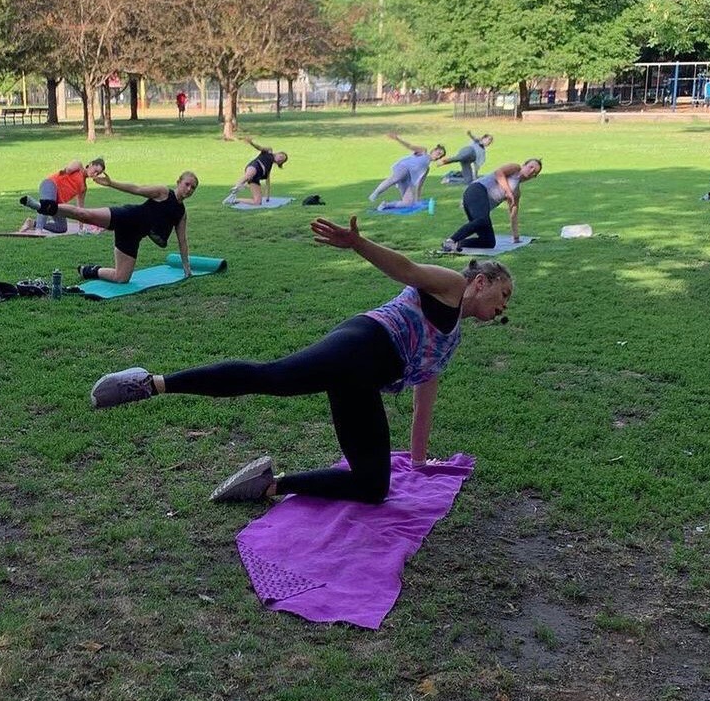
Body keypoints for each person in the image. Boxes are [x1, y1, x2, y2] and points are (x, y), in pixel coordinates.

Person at [88, 216, 512, 505]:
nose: (504, 306)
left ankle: (267, 486)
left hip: (362, 381)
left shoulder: (451, 338)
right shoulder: (452, 284)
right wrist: (359, 244)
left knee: (373, 486)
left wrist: (418, 462)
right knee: (275, 378)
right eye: (504, 294)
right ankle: (149, 383)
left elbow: (425, 399)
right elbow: (406, 270)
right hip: (360, 344)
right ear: (481, 281)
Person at [21, 170, 197, 283]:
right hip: (126, 216)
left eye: (193, 188)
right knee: (86, 215)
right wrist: (111, 183)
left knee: (121, 278)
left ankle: (89, 271)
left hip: (133, 236)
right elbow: (136, 189)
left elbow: (183, 241)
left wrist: (187, 268)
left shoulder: (181, 214)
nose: (189, 189)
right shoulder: (163, 192)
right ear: (178, 182)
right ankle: (43, 207)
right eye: (187, 184)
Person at [441, 159, 542, 252]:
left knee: (488, 242)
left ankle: (458, 244)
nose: (531, 171)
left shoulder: (516, 193)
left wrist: (516, 237)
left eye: (535, 172)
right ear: (524, 165)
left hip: (479, 204)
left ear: (534, 177)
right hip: (476, 190)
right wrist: (507, 191)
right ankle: (450, 240)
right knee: (482, 220)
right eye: (530, 167)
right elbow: (499, 173)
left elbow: (513, 214)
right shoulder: (515, 168)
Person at [18, 158, 105, 234]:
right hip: (51, 184)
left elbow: (80, 208)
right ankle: (38, 230)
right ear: (90, 164)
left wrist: (81, 228)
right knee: (48, 204)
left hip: (58, 202)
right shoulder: (78, 166)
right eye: (95, 170)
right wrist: (76, 168)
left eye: (98, 173)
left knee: (62, 228)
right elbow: (68, 169)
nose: (95, 174)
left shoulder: (84, 188)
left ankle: (32, 223)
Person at [369, 133, 446, 205]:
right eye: (438, 153)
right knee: (395, 178)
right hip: (404, 167)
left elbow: (419, 185)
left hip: (408, 179)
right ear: (433, 150)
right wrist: (397, 139)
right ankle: (375, 193)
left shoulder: (426, 169)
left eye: (440, 156)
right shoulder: (423, 151)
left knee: (408, 203)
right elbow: (410, 146)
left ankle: (386, 205)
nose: (438, 157)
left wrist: (417, 200)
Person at [225, 137, 288, 206]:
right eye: (281, 156)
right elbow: (260, 148)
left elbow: (268, 183)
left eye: (282, 161)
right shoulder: (269, 151)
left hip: (255, 178)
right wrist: (251, 143)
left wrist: (267, 197)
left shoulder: (268, 169)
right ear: (278, 153)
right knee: (250, 175)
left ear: (279, 163)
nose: (280, 159)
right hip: (255, 166)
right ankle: (237, 186)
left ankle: (235, 200)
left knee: (257, 202)